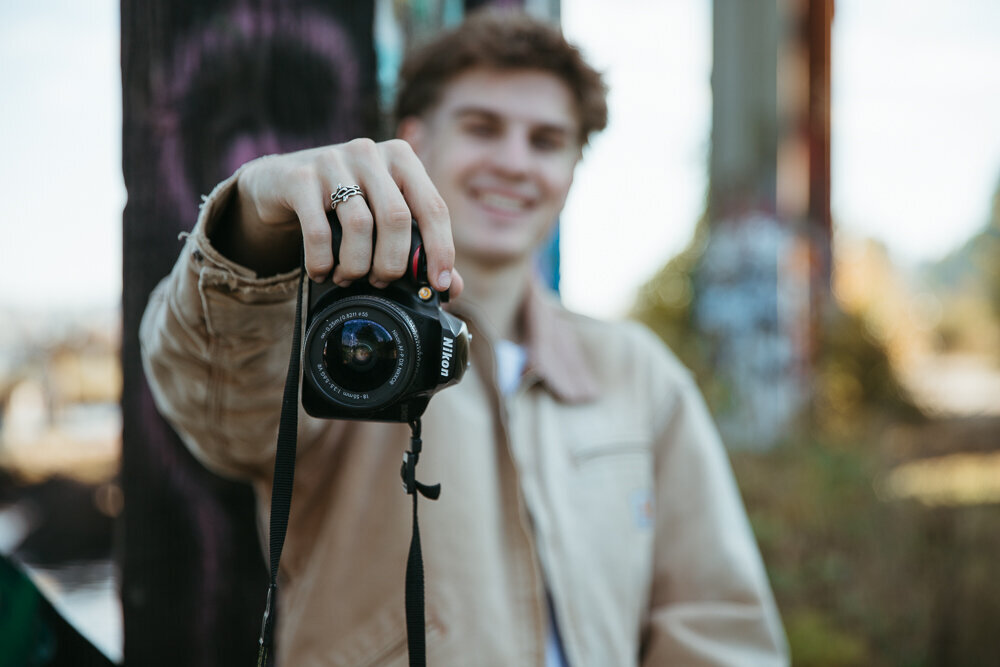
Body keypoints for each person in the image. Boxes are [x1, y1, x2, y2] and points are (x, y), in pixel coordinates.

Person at [140, 10, 788, 666]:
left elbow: (715, 623)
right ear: (415, 140)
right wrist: (250, 226)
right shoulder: (332, 340)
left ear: (572, 167)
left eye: (546, 140)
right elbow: (216, 396)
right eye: (482, 127)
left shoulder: (638, 373)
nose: (513, 162)